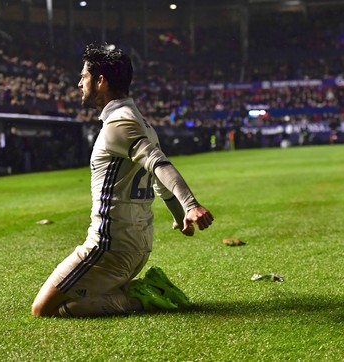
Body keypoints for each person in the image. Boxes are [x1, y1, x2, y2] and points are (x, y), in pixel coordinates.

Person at [31, 44, 214, 318]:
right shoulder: (140, 122)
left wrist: (190, 205)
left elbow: (158, 165)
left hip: (108, 246)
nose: (79, 82)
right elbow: (158, 180)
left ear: (101, 81)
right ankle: (138, 291)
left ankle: (142, 298)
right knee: (74, 305)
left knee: (43, 309)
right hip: (135, 245)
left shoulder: (119, 123)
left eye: (84, 76)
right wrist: (179, 215)